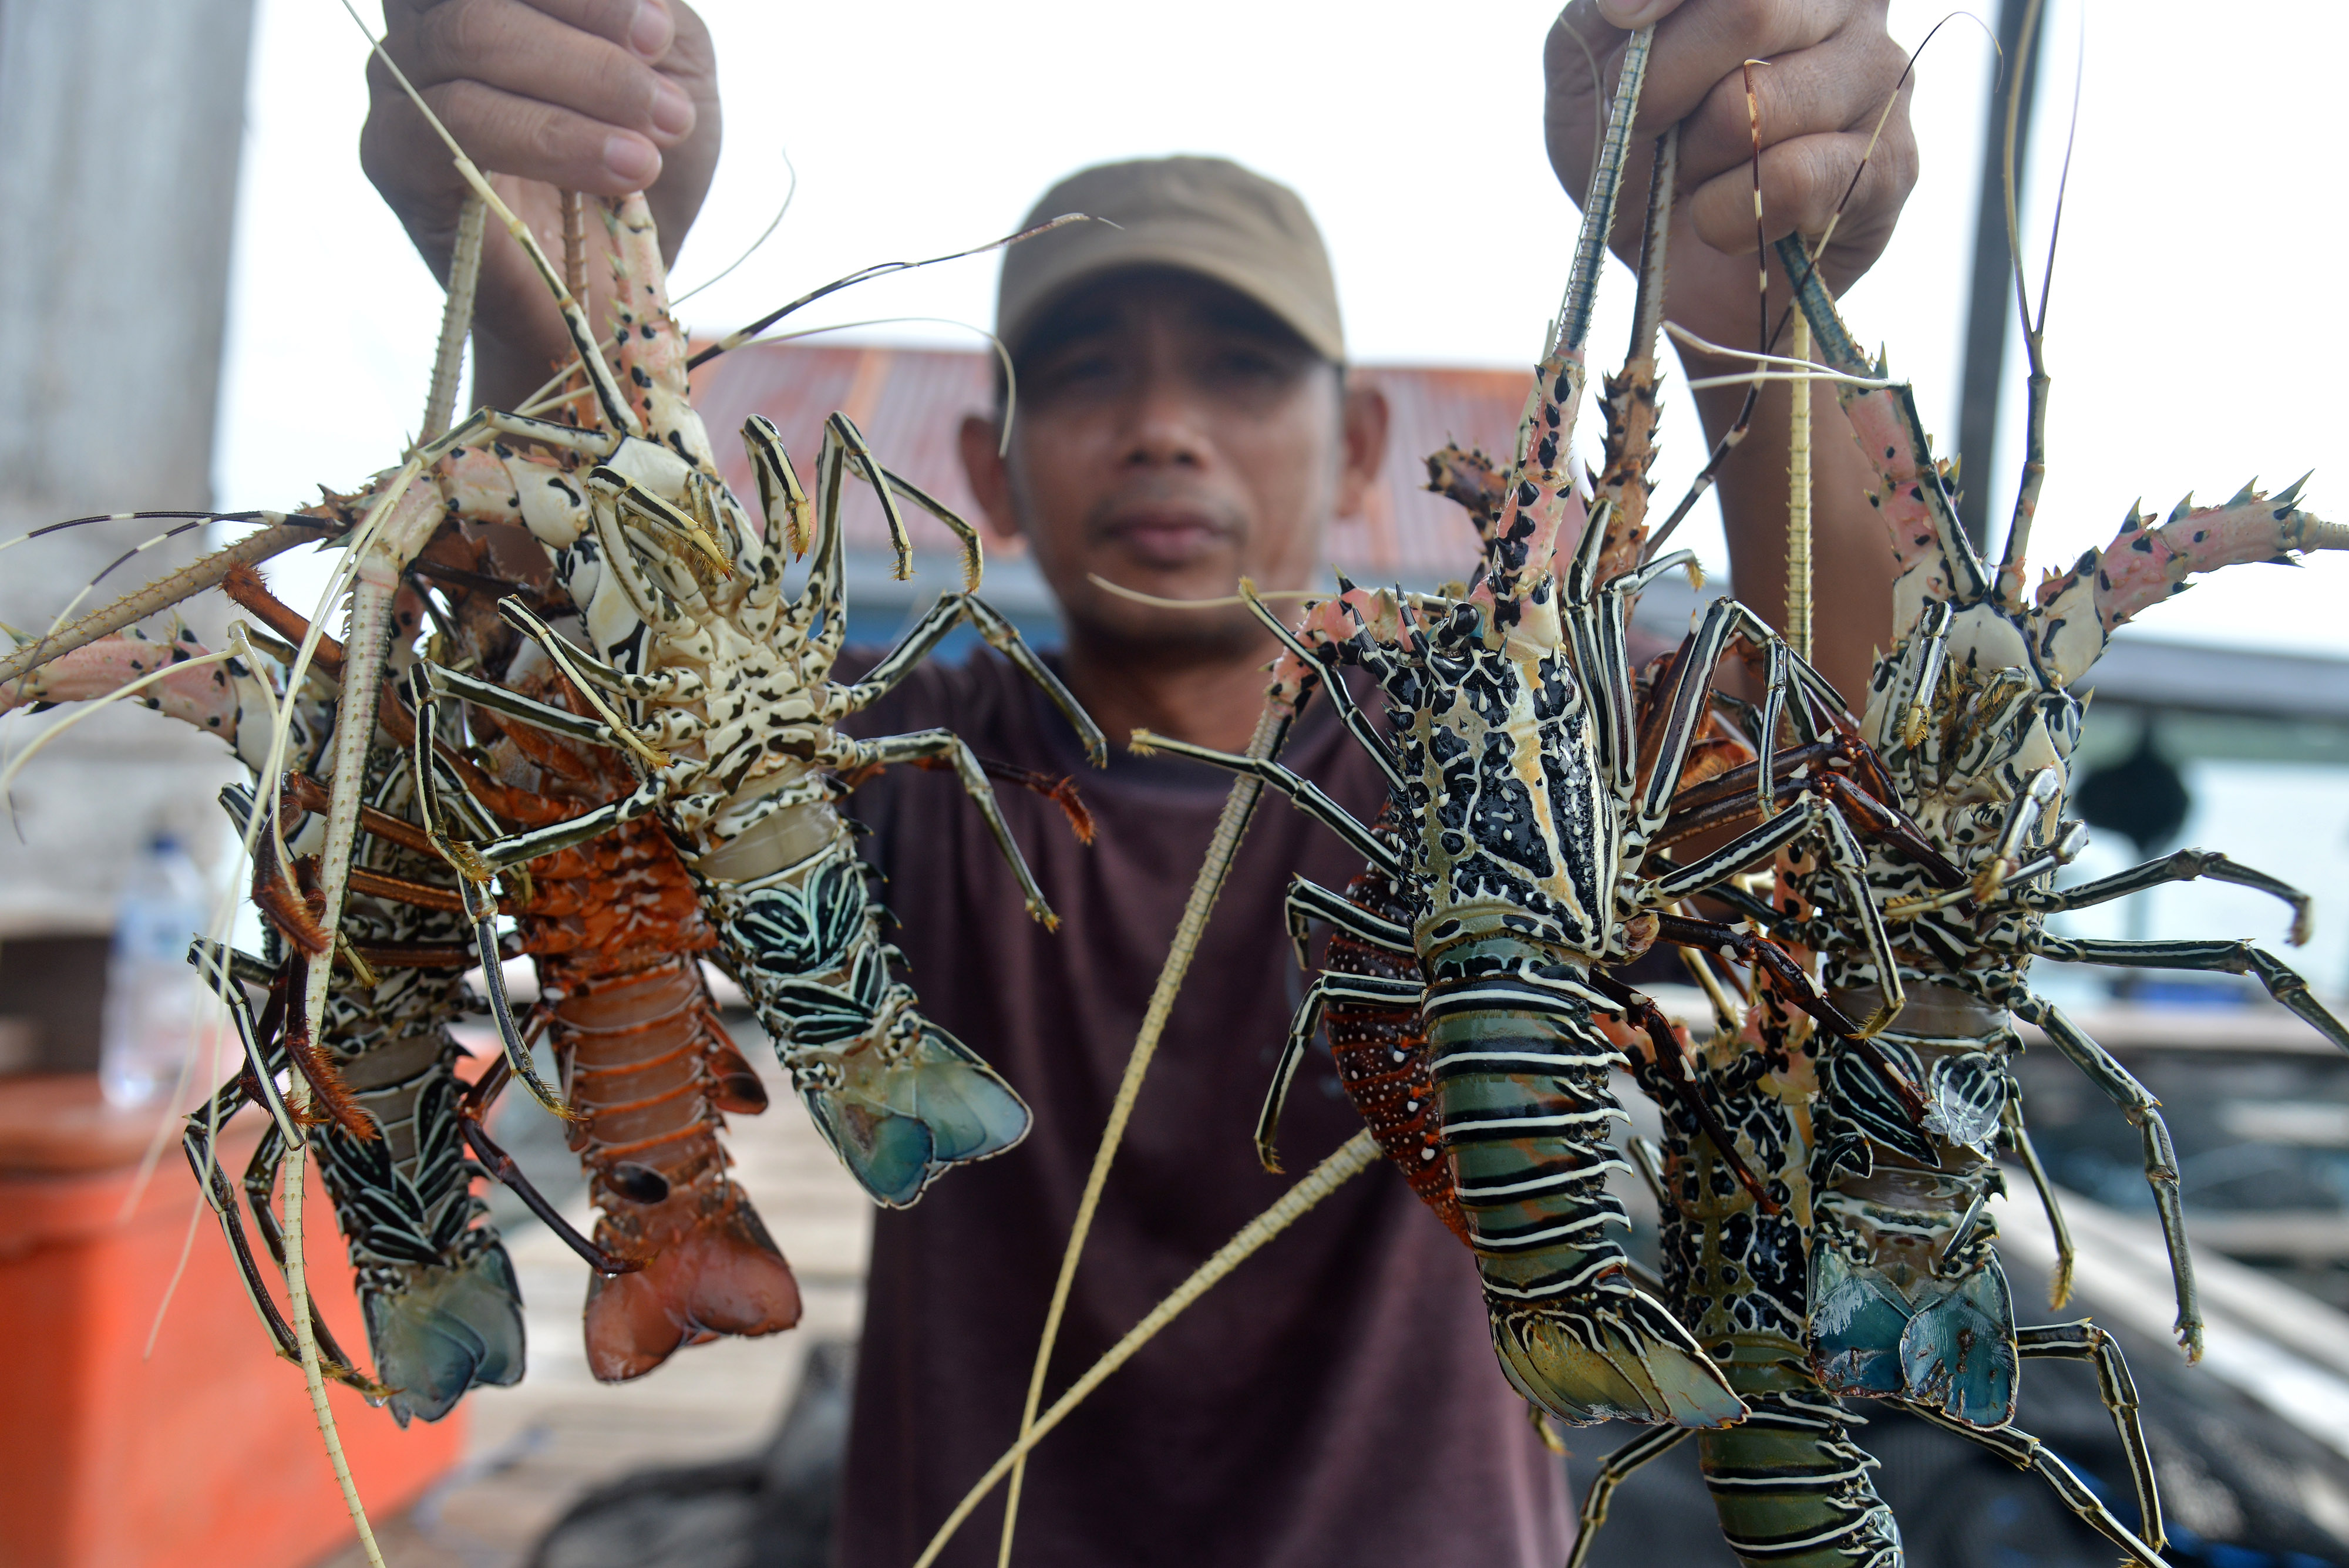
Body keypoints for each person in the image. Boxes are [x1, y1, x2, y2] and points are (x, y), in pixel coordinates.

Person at [364, 3, 1921, 1563]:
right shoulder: (895, 766)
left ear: (1361, 446)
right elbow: (602, 727)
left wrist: (1744, 311)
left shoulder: (1481, 762)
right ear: (986, 471)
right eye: (1091, 373)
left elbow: (1851, 787)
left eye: (1240, 371)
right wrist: (551, 286)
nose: (1166, 431)